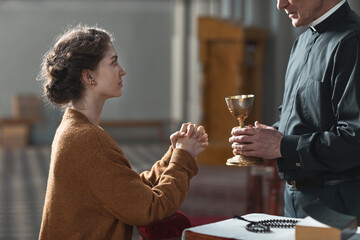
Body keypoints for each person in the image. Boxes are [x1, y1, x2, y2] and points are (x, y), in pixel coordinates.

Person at [37, 25, 208, 240]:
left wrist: (174, 154)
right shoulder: (88, 139)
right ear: (89, 76)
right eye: (113, 62)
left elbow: (126, 191)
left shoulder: (75, 129)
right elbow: (150, 208)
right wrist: (184, 158)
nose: (122, 70)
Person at [229, 0, 360, 223]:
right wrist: (262, 138)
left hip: (338, 203)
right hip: (296, 199)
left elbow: (354, 139)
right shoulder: (301, 42)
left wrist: (281, 145)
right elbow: (300, 117)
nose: (280, 5)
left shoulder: (353, 41)